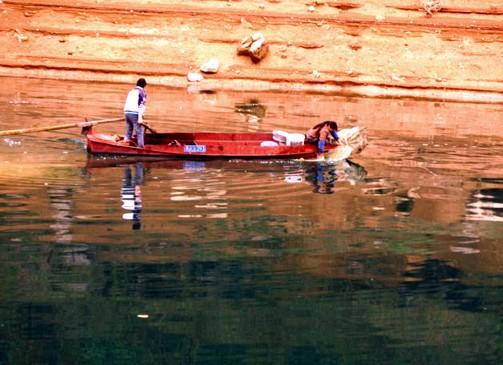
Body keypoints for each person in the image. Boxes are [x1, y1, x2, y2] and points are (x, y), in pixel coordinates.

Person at [123, 78, 147, 148]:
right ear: (144, 85)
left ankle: (125, 144)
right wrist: (140, 118)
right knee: (139, 131)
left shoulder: (131, 91)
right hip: (134, 113)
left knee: (129, 130)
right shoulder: (142, 92)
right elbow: (141, 105)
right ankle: (141, 147)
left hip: (127, 112)